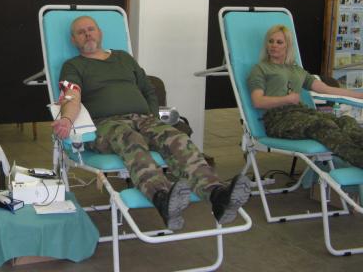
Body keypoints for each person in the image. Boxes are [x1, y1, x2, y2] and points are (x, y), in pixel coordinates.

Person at [52, 16, 250, 231]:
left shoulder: (123, 57)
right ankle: (161, 198)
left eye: (91, 29)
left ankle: (217, 195)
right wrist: (66, 119)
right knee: (131, 139)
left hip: (143, 119)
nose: (87, 34)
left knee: (176, 138)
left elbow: (148, 89)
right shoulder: (73, 65)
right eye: (81, 32)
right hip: (105, 125)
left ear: (100, 33)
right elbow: (71, 96)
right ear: (74, 40)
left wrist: (153, 119)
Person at [248, 24, 363, 167]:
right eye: (270, 41)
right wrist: (286, 99)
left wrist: (359, 96)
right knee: (323, 125)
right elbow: (258, 101)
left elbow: (325, 89)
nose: (274, 45)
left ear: (288, 45)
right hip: (278, 119)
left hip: (302, 112)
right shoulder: (260, 69)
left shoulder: (296, 70)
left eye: (279, 42)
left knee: (346, 121)